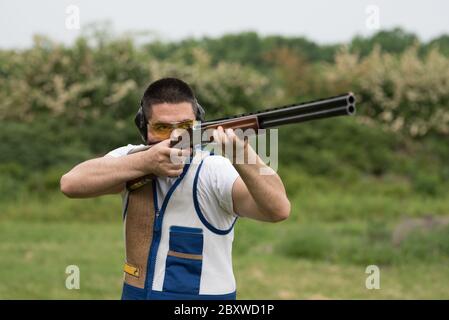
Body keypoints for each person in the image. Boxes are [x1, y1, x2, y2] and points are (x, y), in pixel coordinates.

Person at [60, 77, 290, 300]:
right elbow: (70, 184)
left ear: (198, 124)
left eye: (185, 127)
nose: (175, 136)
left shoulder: (213, 168)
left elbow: (277, 209)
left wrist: (243, 155)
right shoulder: (131, 160)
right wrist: (144, 162)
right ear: (144, 127)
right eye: (161, 128)